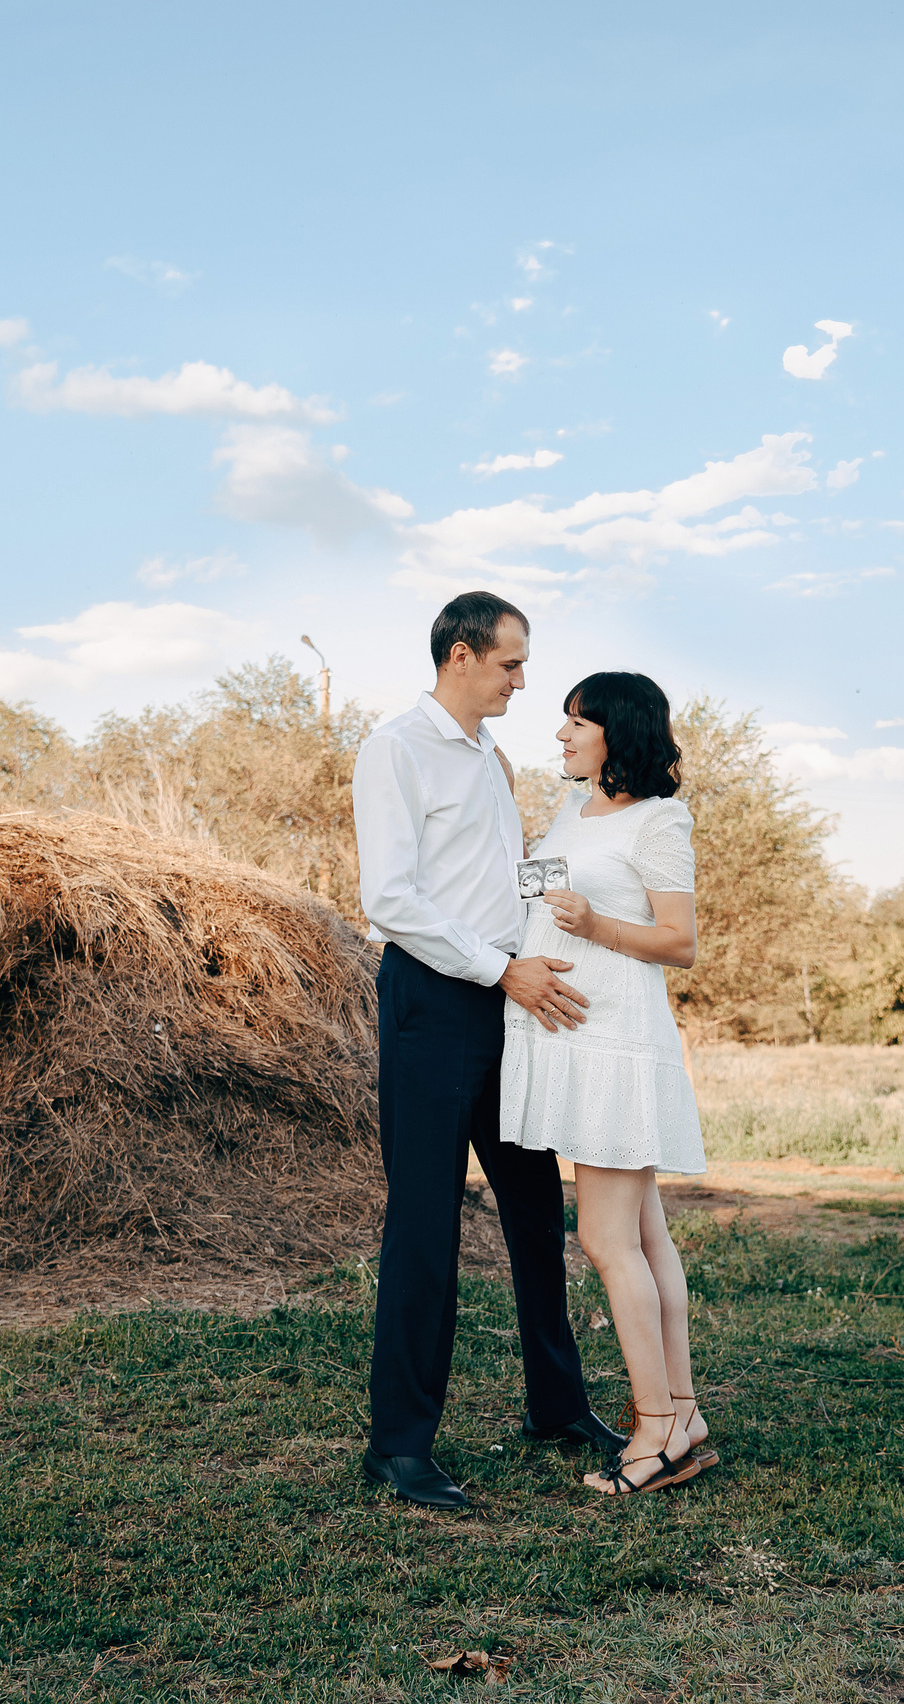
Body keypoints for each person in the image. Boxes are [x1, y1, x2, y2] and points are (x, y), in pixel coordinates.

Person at [351, 590, 627, 1512]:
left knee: (533, 1208)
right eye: (511, 664)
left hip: (508, 1000)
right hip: (432, 1001)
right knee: (425, 1225)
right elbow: (390, 897)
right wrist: (497, 967)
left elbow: (508, 878)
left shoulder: (492, 758)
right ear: (462, 655)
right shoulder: (395, 748)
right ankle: (398, 1447)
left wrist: (569, 919)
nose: (521, 680)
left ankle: (557, 1407)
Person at [499, 671, 713, 1495]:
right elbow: (545, 898)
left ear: (617, 733)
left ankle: (658, 1430)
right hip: (569, 1038)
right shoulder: (570, 811)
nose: (561, 735)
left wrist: (595, 925)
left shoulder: (660, 820)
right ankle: (683, 1414)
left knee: (604, 1239)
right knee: (646, 1236)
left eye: (577, 723)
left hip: (617, 1038)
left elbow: (679, 941)